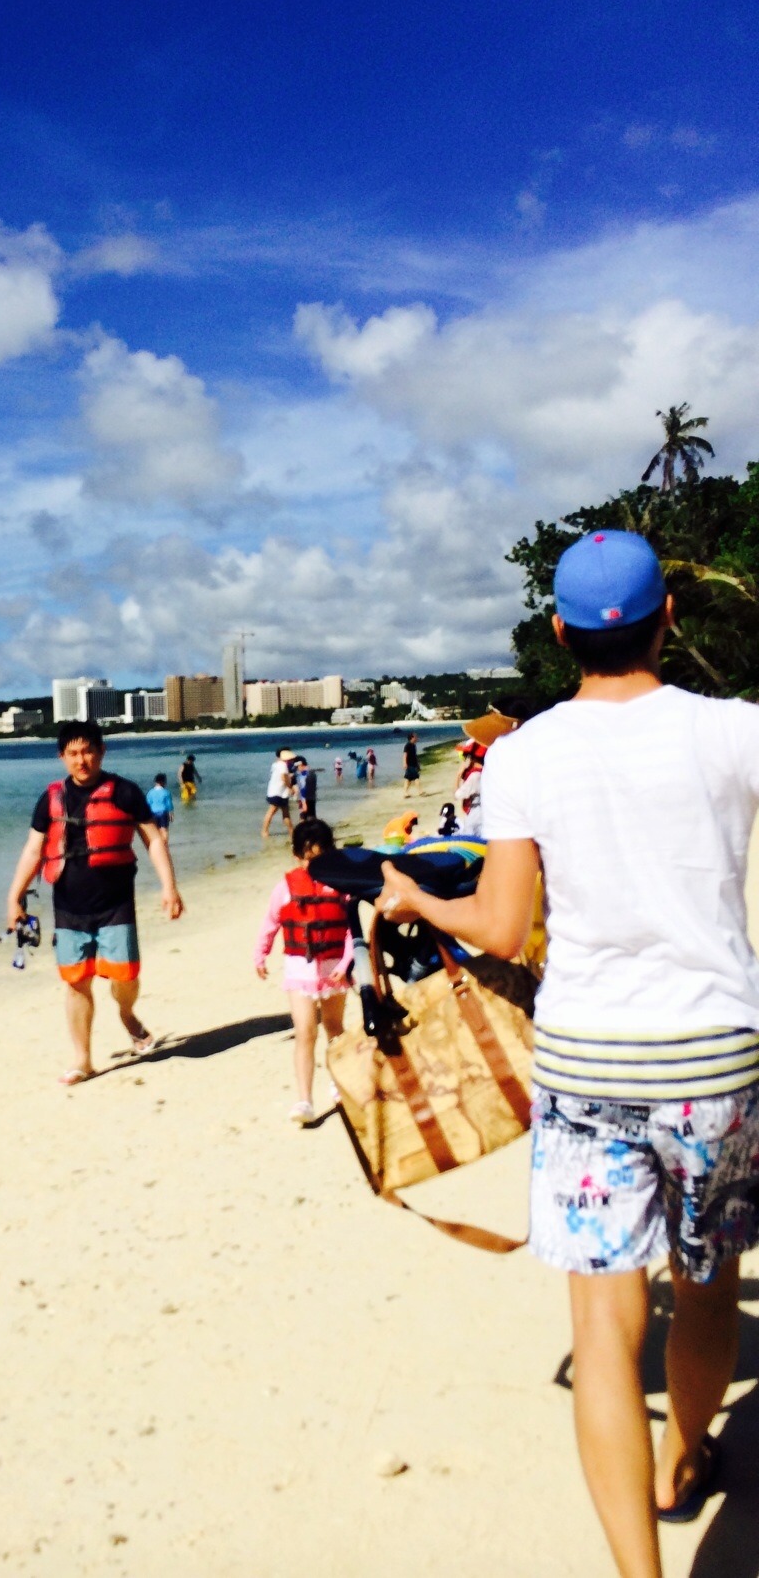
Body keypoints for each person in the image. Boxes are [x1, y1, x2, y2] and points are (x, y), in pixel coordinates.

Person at [375, 529, 759, 1578]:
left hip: (590, 1062)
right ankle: (685, 1458)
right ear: (667, 617)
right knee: (708, 1283)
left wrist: (414, 898)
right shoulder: (734, 729)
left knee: (602, 1327)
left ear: (558, 633)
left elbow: (502, 928)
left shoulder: (524, 754)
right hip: (716, 1056)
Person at [6, 719, 183, 1085]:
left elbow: (153, 840)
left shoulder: (125, 792)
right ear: (62, 757)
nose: (81, 760)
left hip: (116, 903)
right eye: (73, 753)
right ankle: (83, 1059)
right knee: (76, 982)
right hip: (69, 907)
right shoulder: (51, 798)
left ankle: (127, 1013)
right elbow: (33, 850)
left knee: (125, 976)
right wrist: (14, 897)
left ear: (101, 752)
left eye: (88, 751)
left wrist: (169, 887)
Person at [255, 818, 352, 1124]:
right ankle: (305, 1100)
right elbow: (271, 923)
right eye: (309, 859)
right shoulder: (284, 889)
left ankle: (339, 1084)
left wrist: (345, 963)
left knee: (334, 1028)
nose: (314, 865)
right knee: (305, 1032)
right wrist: (260, 954)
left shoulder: (341, 887)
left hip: (334, 970)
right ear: (297, 856)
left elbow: (352, 931)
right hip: (300, 973)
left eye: (321, 858)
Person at [262, 748, 294, 838]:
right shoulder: (282, 765)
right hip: (277, 792)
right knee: (272, 811)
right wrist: (290, 787)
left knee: (285, 812)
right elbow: (284, 778)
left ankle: (291, 831)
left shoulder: (276, 764)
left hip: (280, 791)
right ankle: (264, 831)